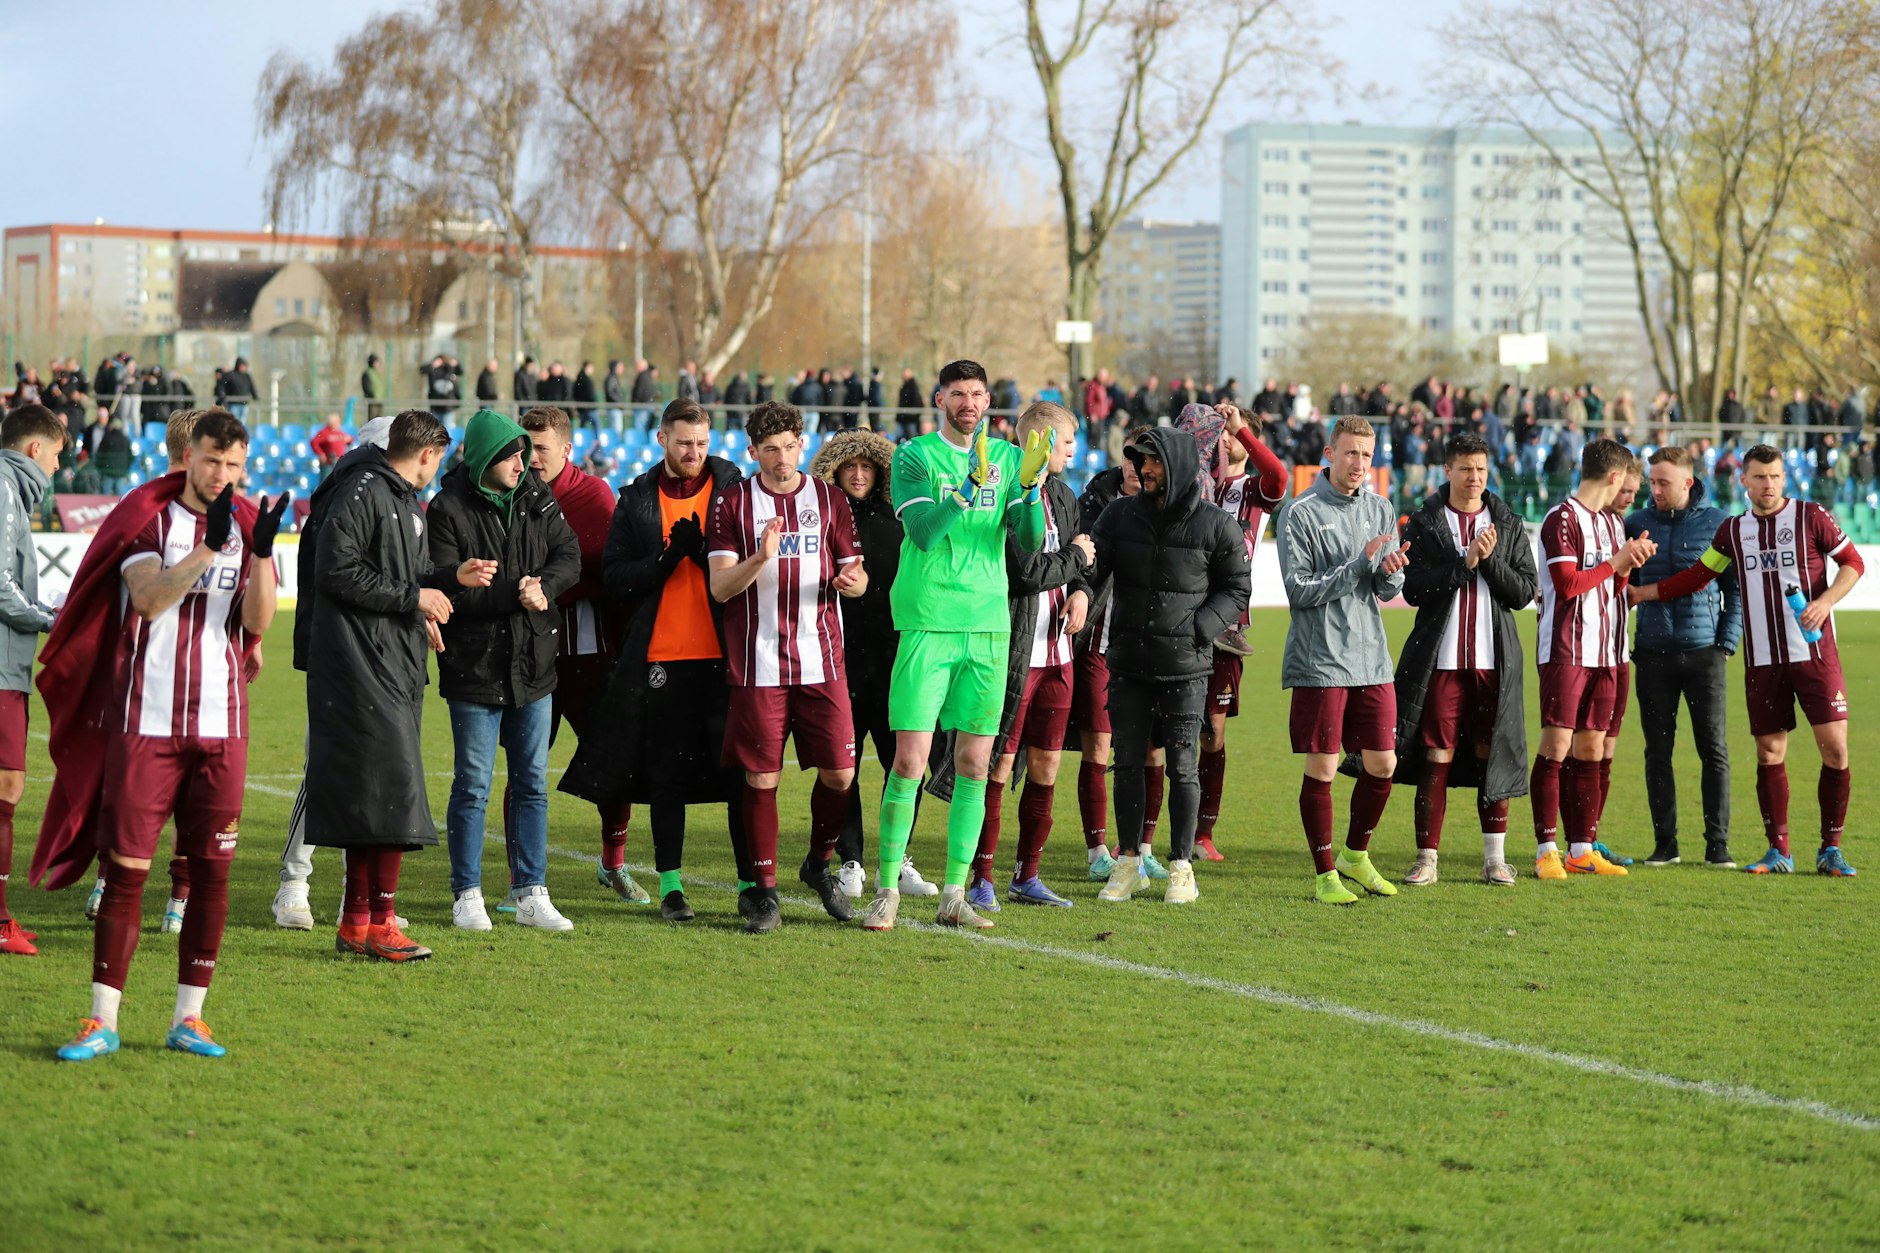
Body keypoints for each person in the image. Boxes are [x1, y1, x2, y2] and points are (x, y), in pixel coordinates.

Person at [35, 409, 285, 1061]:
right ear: (188, 458)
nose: (221, 475)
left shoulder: (251, 527)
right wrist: (209, 547)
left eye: (234, 466)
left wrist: (258, 555)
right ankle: (101, 1018)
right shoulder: (149, 517)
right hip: (147, 722)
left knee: (211, 875)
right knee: (126, 873)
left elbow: (257, 622)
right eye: (211, 461)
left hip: (222, 726)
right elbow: (147, 599)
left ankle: (189, 1018)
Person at [860, 360, 1048, 931]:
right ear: (940, 398)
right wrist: (969, 487)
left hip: (989, 624)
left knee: (974, 763)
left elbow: (1029, 543)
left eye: (977, 394)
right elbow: (921, 531)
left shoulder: (1013, 457)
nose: (969, 403)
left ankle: (954, 895)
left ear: (989, 399)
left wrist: (1031, 491)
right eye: (958, 394)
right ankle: (887, 888)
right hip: (928, 621)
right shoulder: (915, 456)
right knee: (911, 760)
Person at [1632, 444, 1865, 876]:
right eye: (1759, 477)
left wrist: (1827, 600)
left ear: (1784, 477)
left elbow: (1853, 562)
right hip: (1763, 661)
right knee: (1769, 752)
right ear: (1744, 480)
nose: (1769, 484)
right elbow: (1699, 575)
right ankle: (1779, 851)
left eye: (1775, 476)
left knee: (1835, 749)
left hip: (1814, 654)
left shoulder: (1811, 516)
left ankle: (1830, 848)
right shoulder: (1734, 532)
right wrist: (1644, 593)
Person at [559, 399, 749, 921]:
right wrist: (666, 560)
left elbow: (755, 562)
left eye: (703, 443)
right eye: (684, 442)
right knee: (666, 778)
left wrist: (706, 547)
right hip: (662, 655)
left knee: (738, 775)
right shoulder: (638, 498)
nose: (694, 453)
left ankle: (750, 884)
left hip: (725, 655)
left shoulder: (733, 489)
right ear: (662, 439)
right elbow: (616, 579)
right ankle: (671, 888)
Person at [705, 401, 866, 931]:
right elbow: (722, 587)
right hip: (758, 662)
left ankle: (819, 865)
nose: (781, 458)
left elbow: (858, 575)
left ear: (802, 445)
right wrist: (761, 556)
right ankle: (764, 891)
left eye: (790, 446)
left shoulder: (830, 498)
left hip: (823, 660)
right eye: (769, 449)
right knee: (761, 777)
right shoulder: (731, 503)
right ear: (753, 452)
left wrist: (851, 584)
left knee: (842, 773)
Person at [933, 401, 1090, 910]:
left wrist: (1082, 588)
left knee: (1046, 765)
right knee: (998, 764)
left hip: (1059, 654)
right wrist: (1077, 560)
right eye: (1067, 441)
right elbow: (1025, 573)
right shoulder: (1009, 492)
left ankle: (1028, 875)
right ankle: (980, 877)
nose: (1073, 450)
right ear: (1041, 443)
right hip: (1015, 651)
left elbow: (1073, 565)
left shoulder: (1065, 496)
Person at [429, 408, 581, 931]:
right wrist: (514, 593)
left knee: (532, 782)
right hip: (474, 666)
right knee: (472, 784)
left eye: (526, 453)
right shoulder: (447, 508)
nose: (524, 463)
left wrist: (547, 586)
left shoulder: (538, 495)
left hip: (534, 665)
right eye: (514, 455)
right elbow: (445, 588)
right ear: (488, 459)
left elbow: (570, 556)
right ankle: (465, 894)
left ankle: (530, 893)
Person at [1090, 420, 1250, 906]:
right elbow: (1094, 570)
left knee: (1183, 768)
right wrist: (1078, 591)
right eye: (1142, 460)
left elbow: (1237, 587)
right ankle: (1129, 865)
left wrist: (1201, 629)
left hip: (1187, 667)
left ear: (1179, 465)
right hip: (1129, 665)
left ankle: (1181, 866)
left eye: (1156, 460)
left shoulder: (1216, 524)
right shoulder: (1119, 516)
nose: (1146, 469)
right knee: (1129, 766)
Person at [1391, 432, 1539, 887]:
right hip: (1442, 662)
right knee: (1436, 754)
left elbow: (1524, 592)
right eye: (1465, 469)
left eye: (1480, 469)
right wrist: (1464, 562)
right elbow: (1412, 589)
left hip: (1494, 663)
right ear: (1448, 471)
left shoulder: (1507, 522)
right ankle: (1427, 858)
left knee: (1489, 754)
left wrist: (1488, 561)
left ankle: (1494, 860)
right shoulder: (1426, 522)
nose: (1474, 478)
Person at [271, 416, 398, 930]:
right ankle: (293, 885)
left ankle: (356, 897)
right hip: (341, 654)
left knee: (370, 778)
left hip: (379, 655)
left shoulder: (378, 498)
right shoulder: (343, 501)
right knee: (323, 767)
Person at [1275, 416, 1409, 905]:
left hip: (1372, 657)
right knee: (1325, 767)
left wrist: (1390, 571)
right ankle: (1324, 874)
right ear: (1329, 454)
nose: (1359, 464)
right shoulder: (1300, 512)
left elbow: (1383, 586)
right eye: (1350, 453)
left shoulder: (1381, 508)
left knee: (1383, 762)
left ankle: (1356, 854)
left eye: (1367, 455)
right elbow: (1299, 590)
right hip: (1322, 660)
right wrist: (1358, 564)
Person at [518, 406, 647, 902]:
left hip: (591, 658)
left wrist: (553, 584)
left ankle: (613, 863)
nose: (530, 460)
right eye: (524, 449)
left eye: (541, 449)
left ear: (568, 451)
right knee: (528, 770)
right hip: (530, 657)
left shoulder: (593, 495)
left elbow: (609, 570)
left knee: (613, 763)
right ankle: (520, 877)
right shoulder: (511, 495)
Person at [809, 428, 938, 900]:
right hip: (838, 656)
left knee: (904, 761)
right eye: (850, 467)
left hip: (897, 655)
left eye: (867, 466)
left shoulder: (901, 518)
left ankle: (898, 856)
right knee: (842, 763)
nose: (859, 475)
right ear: (835, 471)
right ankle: (851, 860)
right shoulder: (822, 517)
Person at [1530, 439, 1656, 880]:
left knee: (1590, 749)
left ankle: (1580, 848)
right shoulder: (1560, 519)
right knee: (1556, 747)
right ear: (1615, 476)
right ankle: (1547, 848)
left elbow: (1611, 588)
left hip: (1606, 651)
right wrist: (1616, 561)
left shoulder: (1611, 523)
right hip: (1566, 651)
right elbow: (1566, 585)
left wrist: (1624, 566)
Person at [1625, 446, 1741, 868]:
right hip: (1652, 655)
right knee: (1657, 752)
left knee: (1713, 750)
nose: (1654, 490)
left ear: (1688, 483)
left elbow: (1736, 590)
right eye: (1651, 482)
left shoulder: (1719, 525)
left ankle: (1718, 846)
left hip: (1704, 654)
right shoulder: (1635, 524)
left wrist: (1726, 644)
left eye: (1662, 483)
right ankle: (1665, 844)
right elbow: (1623, 588)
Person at [1191, 402, 1288, 862]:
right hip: (1180, 619)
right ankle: (1147, 834)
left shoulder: (1250, 490)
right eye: (1222, 431)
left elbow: (1280, 477)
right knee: (1162, 731)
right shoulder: (1193, 483)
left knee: (1212, 732)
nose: (1225, 437)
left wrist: (1241, 431)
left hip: (1229, 628)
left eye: (1235, 433)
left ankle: (1202, 831)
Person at [0, 407, 65, 955]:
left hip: (9, 664)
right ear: (36, 450)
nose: (60, 465)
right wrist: (50, 618)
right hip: (0, 668)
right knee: (7, 786)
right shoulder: (3, 488)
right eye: (59, 453)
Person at [424, 354, 462, 420]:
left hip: (448, 407)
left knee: (446, 428)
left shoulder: (450, 371)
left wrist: (455, 364)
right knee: (434, 428)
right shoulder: (433, 371)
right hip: (435, 406)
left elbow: (460, 372)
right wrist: (432, 365)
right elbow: (422, 370)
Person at [361, 353, 386, 420]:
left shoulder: (376, 373)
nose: (378, 364)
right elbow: (366, 387)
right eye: (376, 362)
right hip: (372, 402)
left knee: (380, 421)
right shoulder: (367, 373)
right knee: (372, 421)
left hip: (379, 401)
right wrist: (373, 396)